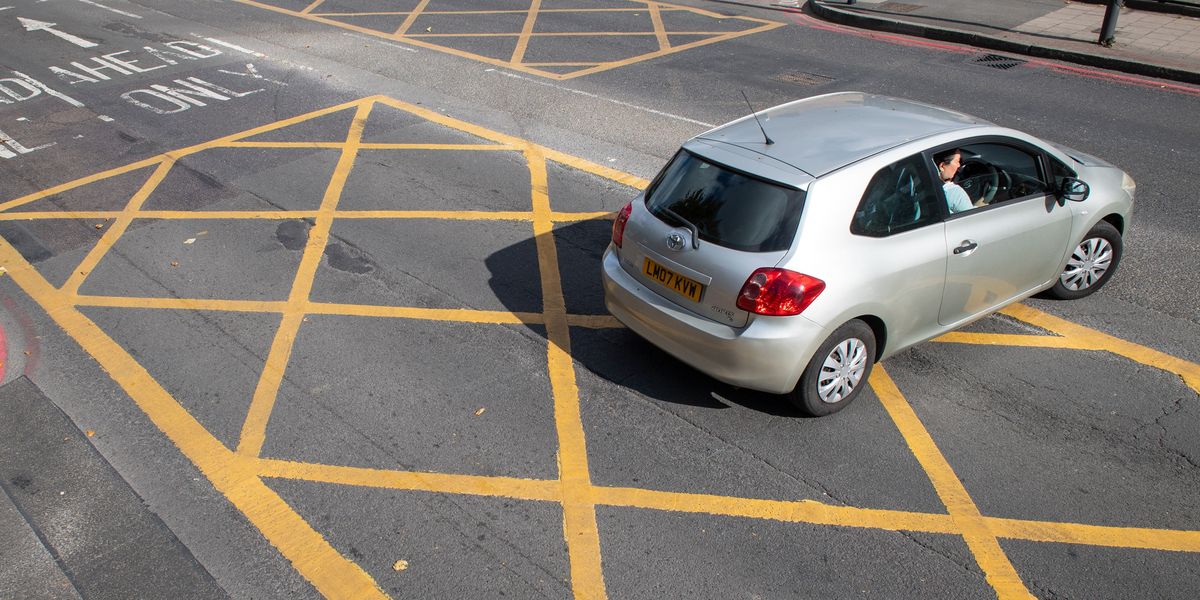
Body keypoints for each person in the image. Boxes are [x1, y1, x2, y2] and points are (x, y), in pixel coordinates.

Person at [935, 149, 978, 214]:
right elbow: (973, 216)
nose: (959, 165)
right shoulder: (953, 191)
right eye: (957, 161)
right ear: (942, 166)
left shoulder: (922, 183)